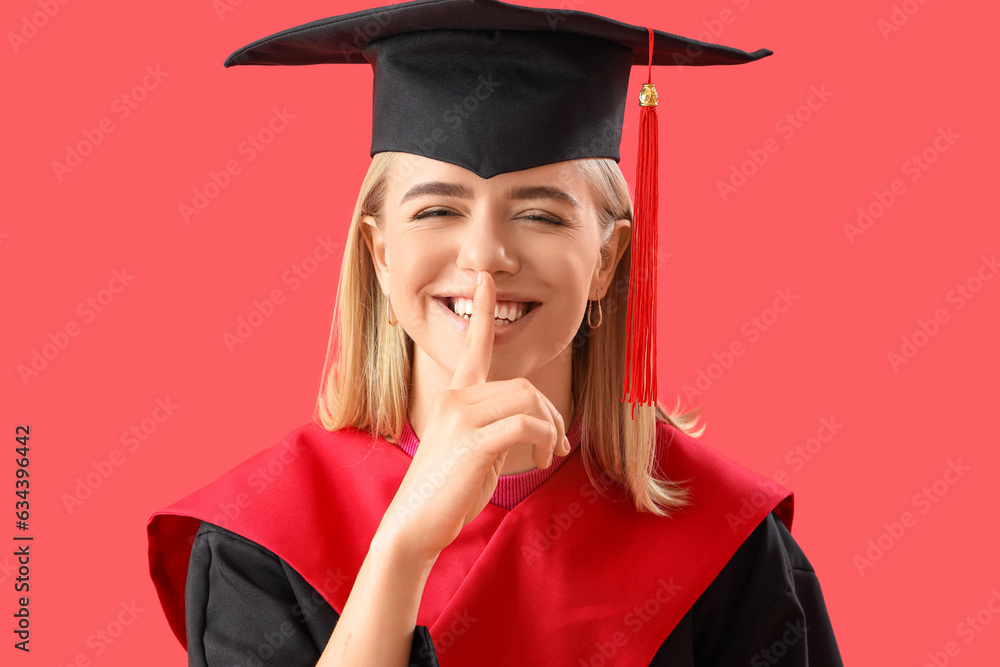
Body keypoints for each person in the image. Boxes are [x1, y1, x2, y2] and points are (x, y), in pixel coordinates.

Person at [146, 0, 844, 665]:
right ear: (381, 255)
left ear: (606, 259)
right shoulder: (264, 540)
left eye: (540, 215)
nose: (486, 255)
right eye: (436, 211)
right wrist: (403, 547)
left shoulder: (730, 549)